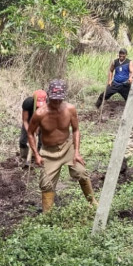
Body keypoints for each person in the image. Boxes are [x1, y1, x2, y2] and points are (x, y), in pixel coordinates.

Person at [28, 79, 97, 212]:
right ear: (49, 96)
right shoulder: (40, 113)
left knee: (82, 172)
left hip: (67, 147)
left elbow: (76, 130)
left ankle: (92, 202)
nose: (57, 102)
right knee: (46, 184)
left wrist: (76, 151)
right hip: (48, 152)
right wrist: (36, 154)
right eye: (54, 99)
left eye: (59, 99)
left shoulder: (70, 109)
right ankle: (47, 215)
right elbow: (30, 133)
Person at [19, 89, 47, 167]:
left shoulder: (48, 104)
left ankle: (37, 157)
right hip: (29, 120)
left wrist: (38, 128)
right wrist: (30, 132)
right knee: (23, 141)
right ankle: (25, 158)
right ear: (33, 99)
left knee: (40, 141)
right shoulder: (28, 103)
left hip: (42, 120)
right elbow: (25, 120)